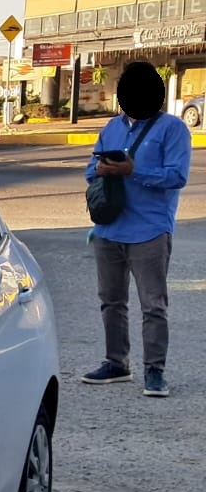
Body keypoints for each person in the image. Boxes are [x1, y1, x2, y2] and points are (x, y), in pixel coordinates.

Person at [80, 61, 191, 397]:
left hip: (150, 230)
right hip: (109, 230)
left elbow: (177, 177)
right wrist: (102, 168)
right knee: (111, 301)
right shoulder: (111, 128)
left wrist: (133, 171)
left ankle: (154, 371)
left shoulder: (172, 129)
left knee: (153, 305)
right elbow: (89, 171)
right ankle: (117, 363)